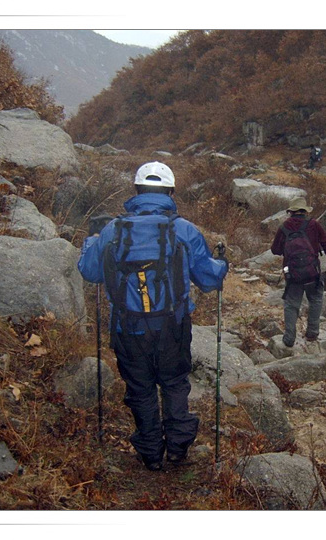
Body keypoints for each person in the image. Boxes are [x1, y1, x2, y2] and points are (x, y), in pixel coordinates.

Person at [77, 161, 228, 472]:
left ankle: (151, 455)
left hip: (127, 328)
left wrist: (91, 241)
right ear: (170, 193)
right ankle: (178, 449)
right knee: (174, 383)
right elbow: (209, 280)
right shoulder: (184, 230)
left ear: (136, 191)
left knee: (141, 389)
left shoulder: (112, 230)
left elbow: (90, 272)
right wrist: (221, 264)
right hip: (173, 327)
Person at [270, 197, 326, 347]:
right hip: (312, 272)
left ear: (291, 212)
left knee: (291, 304)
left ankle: (289, 339)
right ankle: (312, 334)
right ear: (305, 211)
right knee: (315, 300)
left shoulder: (284, 226)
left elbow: (275, 250)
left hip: (293, 274)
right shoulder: (313, 224)